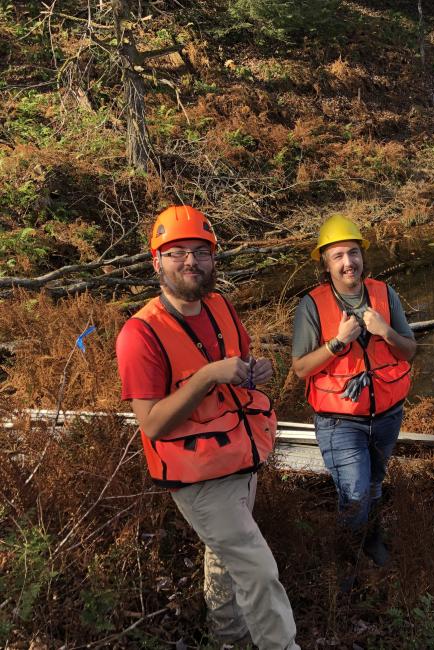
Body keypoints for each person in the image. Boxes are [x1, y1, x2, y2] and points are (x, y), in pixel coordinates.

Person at [115, 205, 300, 650]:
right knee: (258, 569)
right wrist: (207, 376)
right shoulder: (139, 335)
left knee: (224, 557)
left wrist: (259, 370)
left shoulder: (220, 306)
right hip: (198, 478)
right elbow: (152, 423)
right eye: (176, 252)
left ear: (214, 258)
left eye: (201, 251)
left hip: (241, 454)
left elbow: (241, 362)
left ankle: (228, 637)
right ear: (155, 262)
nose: (191, 261)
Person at [291, 214, 416, 568]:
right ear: (326, 265)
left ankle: (371, 539)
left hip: (387, 414)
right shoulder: (311, 306)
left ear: (362, 256)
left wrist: (384, 331)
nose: (349, 263)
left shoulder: (383, 294)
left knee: (375, 484)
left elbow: (408, 350)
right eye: (338, 256)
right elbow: (301, 368)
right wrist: (336, 343)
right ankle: (346, 557)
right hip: (339, 421)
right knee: (356, 492)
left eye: (353, 253)